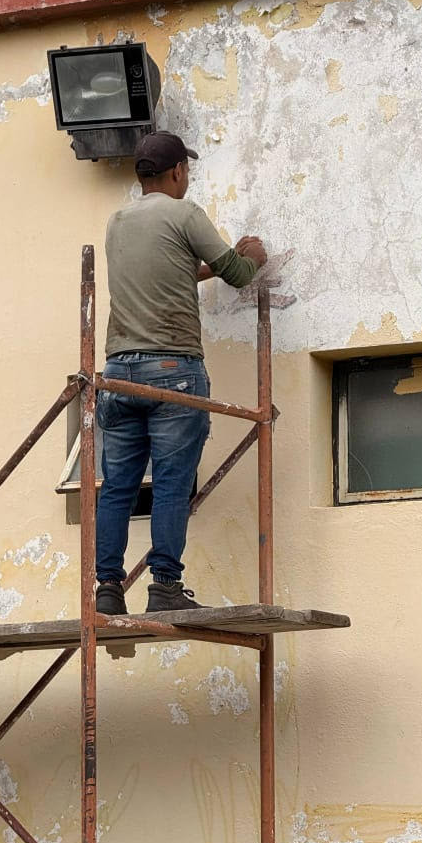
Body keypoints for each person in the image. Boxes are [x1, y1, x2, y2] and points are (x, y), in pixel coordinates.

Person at [95, 132, 267, 616]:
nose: (187, 177)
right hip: (173, 369)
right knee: (172, 483)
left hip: (119, 371)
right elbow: (235, 271)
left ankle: (108, 588)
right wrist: (251, 257)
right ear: (176, 172)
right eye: (186, 171)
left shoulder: (118, 223)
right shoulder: (184, 214)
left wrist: (207, 269)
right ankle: (164, 586)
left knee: (119, 487)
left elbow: (172, 272)